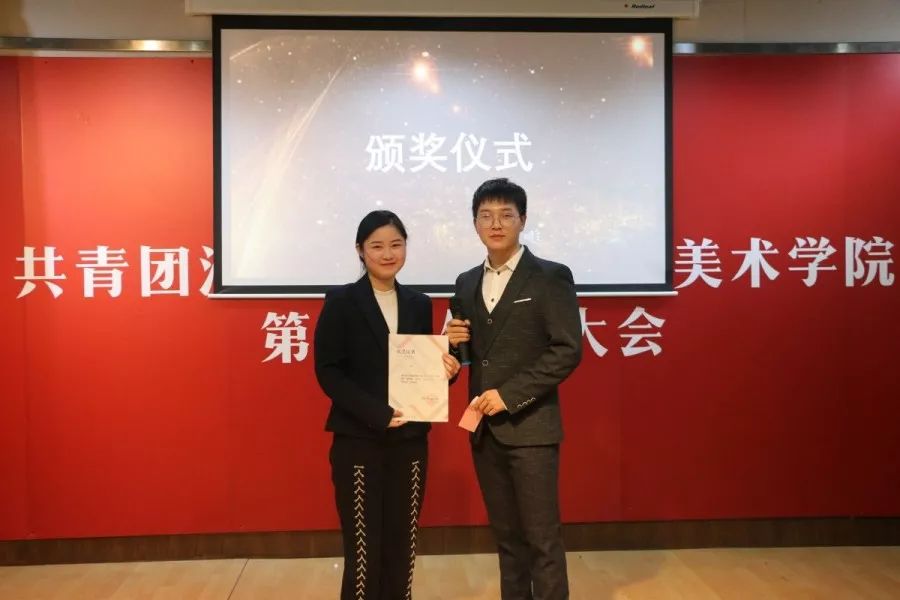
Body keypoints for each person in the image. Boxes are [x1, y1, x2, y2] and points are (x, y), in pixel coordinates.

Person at [447, 178, 583, 600]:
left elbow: (566, 350)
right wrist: (450, 350)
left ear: (523, 220)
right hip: (484, 431)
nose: (496, 224)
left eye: (506, 215)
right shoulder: (466, 282)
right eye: (486, 216)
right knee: (507, 541)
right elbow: (467, 355)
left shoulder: (550, 277)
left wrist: (509, 395)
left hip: (533, 430)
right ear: (474, 223)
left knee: (542, 541)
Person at [314, 210, 460, 600]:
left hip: (410, 441)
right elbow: (328, 372)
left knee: (402, 547)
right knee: (364, 551)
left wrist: (446, 370)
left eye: (396, 244)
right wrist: (377, 414)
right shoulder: (341, 301)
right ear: (360, 250)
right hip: (358, 440)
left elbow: (421, 368)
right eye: (377, 246)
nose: (388, 253)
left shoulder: (418, 303)